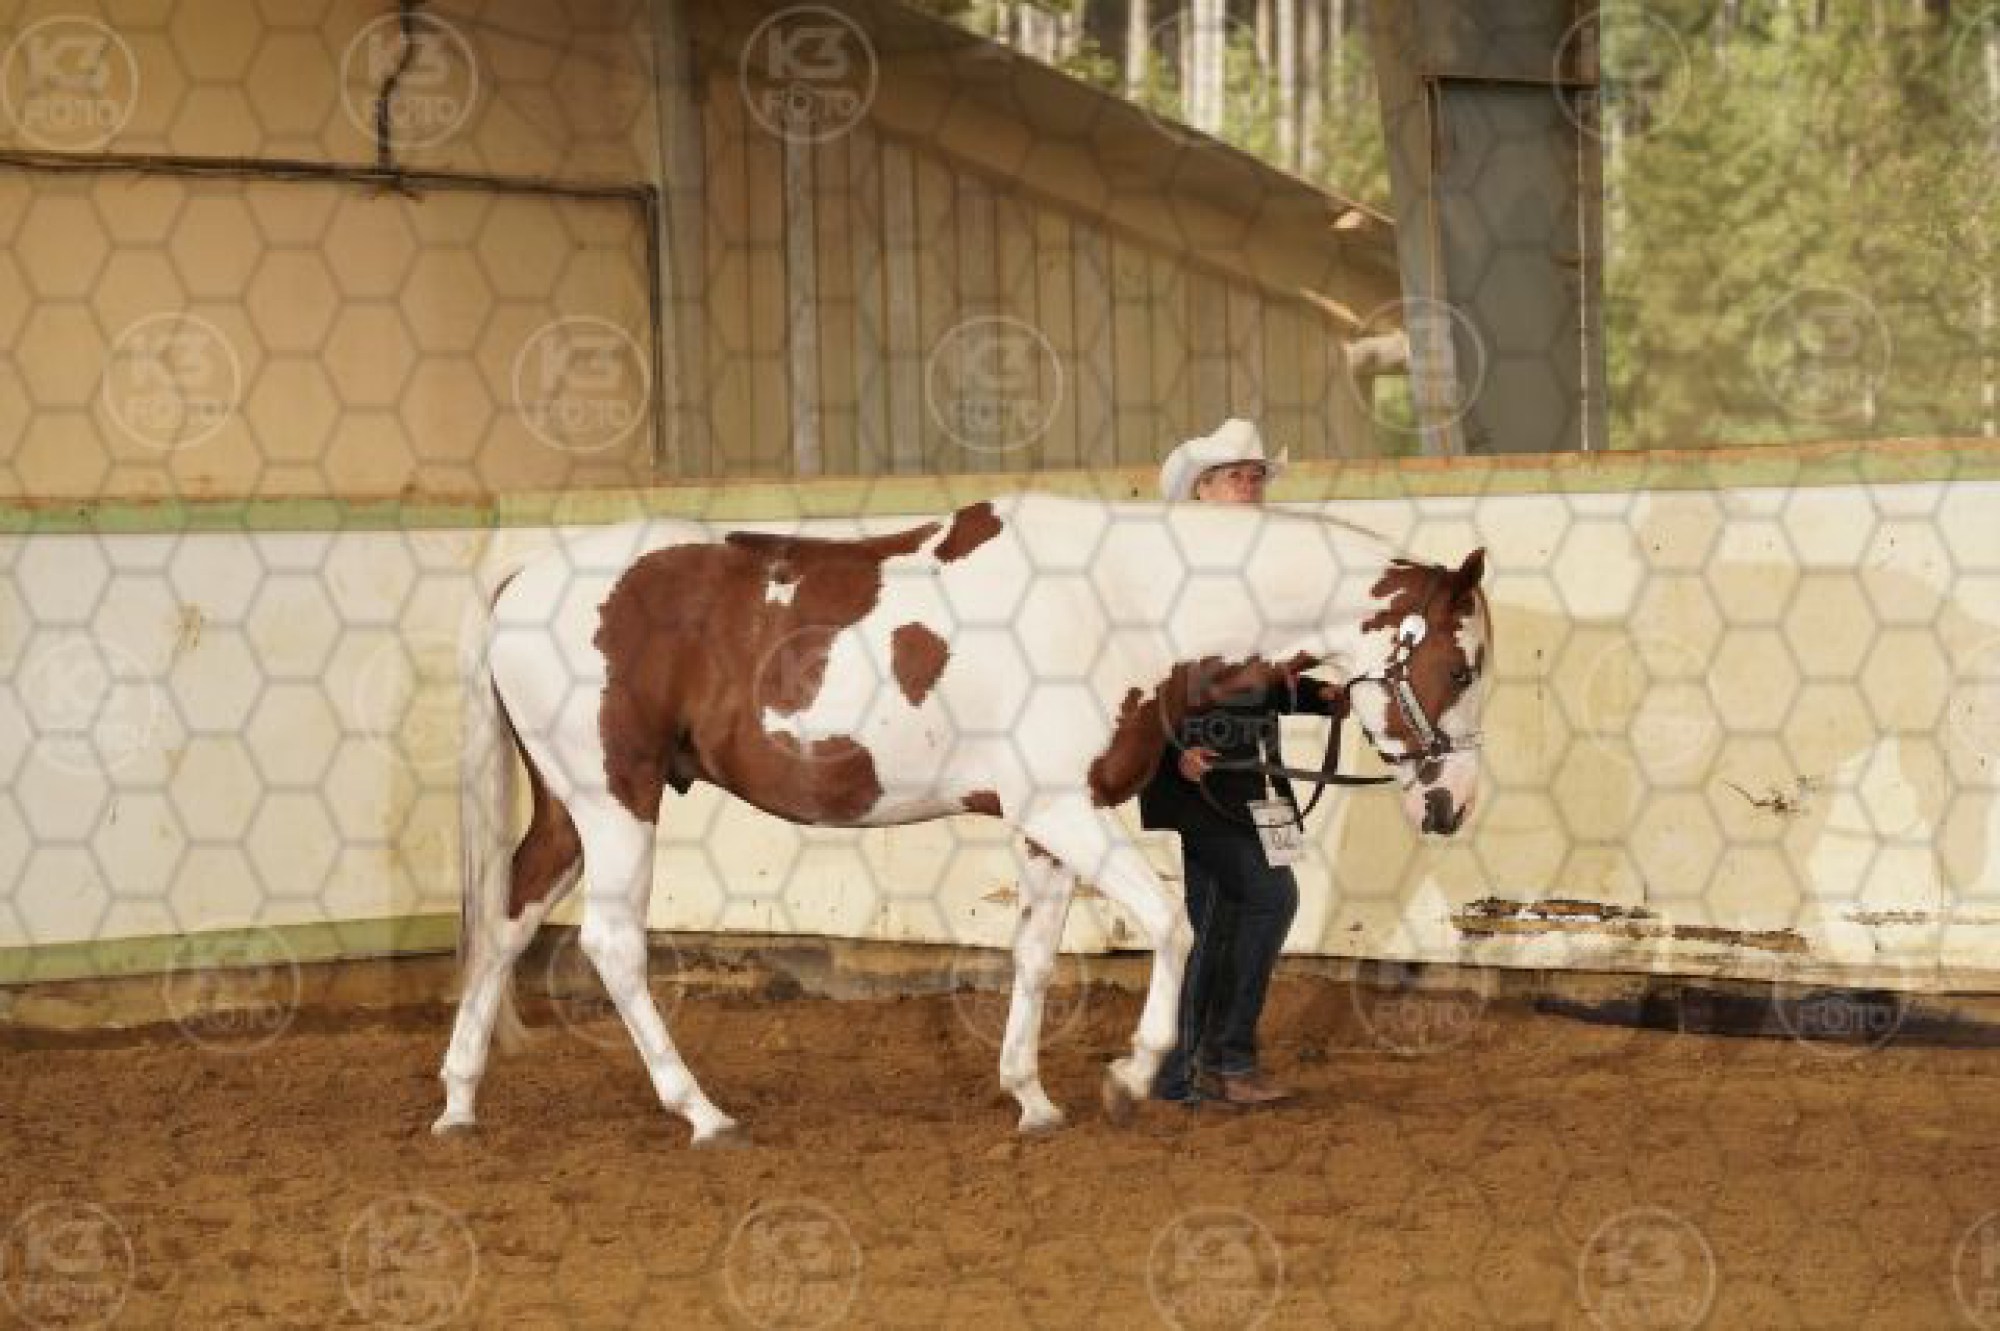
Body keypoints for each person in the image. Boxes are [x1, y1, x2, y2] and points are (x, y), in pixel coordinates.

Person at [1143, 418, 1345, 1107]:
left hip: (1247, 776)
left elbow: (1258, 678)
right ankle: (1224, 1059)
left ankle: (1185, 1068)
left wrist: (1318, 697)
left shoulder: (1250, 576)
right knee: (1267, 899)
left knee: (1217, 918)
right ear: (1201, 489)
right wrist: (1173, 751)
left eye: (1257, 475)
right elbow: (1144, 670)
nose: (1251, 485)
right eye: (1237, 475)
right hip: (1201, 775)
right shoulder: (1177, 574)